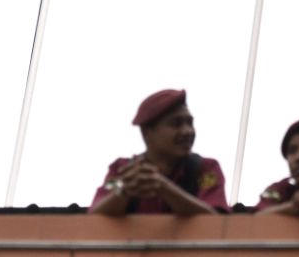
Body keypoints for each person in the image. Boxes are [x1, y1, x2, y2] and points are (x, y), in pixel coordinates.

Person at [89, 89, 228, 215]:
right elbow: (95, 216)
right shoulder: (121, 171)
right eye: (176, 124)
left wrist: (163, 186)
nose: (187, 131)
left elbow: (216, 221)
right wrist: (124, 190)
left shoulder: (205, 170)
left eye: (190, 123)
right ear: (146, 133)